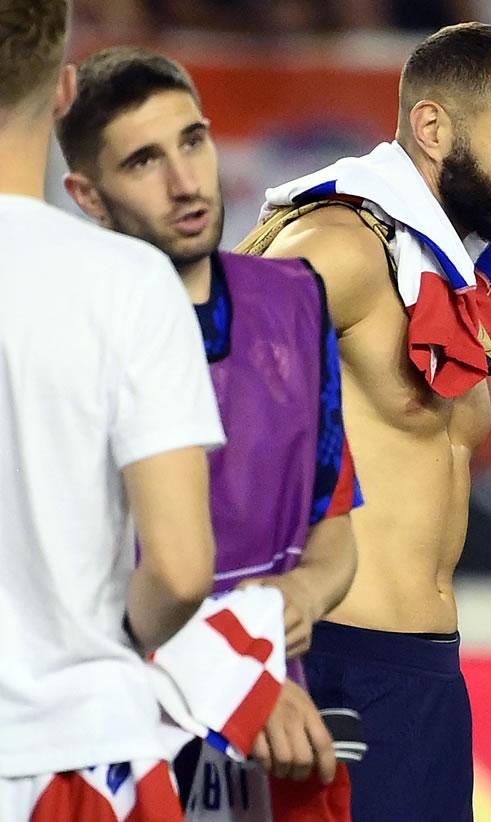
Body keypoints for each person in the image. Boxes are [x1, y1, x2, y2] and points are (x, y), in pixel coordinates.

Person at [234, 21, 491, 820]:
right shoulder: (335, 246)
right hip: (326, 672)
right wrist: (253, 664)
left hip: (426, 681)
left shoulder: (434, 267)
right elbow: (210, 438)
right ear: (431, 127)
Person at [56, 47, 362, 819]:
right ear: (87, 195)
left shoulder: (296, 303)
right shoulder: (57, 336)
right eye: (144, 161)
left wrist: (296, 596)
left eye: (193, 141)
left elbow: (333, 544)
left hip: (278, 743)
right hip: (108, 745)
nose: (186, 181)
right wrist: (230, 680)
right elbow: (55, 598)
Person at [0, 1, 224, 819]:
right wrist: (113, 644)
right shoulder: (127, 285)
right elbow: (179, 565)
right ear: (63, 90)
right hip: (80, 751)